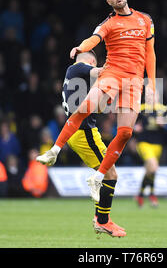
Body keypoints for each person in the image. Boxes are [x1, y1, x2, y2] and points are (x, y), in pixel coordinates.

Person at [37, 0, 156, 236]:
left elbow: (150, 53)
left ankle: (97, 181)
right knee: (86, 108)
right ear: (108, 1)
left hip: (135, 82)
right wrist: (81, 46)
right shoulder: (108, 24)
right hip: (112, 73)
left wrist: (153, 87)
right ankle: (56, 150)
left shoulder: (146, 20)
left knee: (125, 133)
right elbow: (94, 39)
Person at [43, 50, 126, 237]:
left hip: (83, 131)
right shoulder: (78, 67)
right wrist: (121, 67)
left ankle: (102, 220)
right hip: (83, 132)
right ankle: (102, 221)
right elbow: (101, 71)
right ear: (91, 61)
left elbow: (100, 106)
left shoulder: (74, 77)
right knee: (110, 173)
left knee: (108, 173)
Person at [133, 100, 167, 208]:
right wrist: (135, 128)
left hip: (157, 144)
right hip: (144, 143)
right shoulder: (140, 108)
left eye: (154, 94)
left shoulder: (164, 109)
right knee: (153, 168)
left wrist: (163, 125)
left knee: (150, 170)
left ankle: (141, 195)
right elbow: (132, 123)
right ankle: (152, 195)